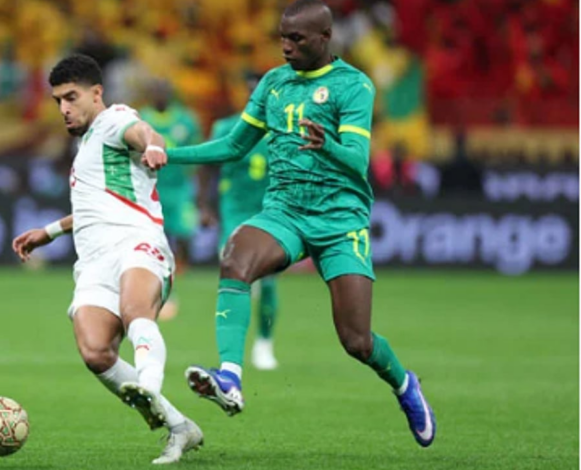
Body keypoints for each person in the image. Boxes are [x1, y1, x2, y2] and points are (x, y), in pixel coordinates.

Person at [143, 0, 436, 448]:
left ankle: (403, 384)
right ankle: (230, 377)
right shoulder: (274, 83)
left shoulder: (354, 85)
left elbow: (358, 160)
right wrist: (169, 155)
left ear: (325, 37)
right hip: (285, 212)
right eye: (282, 37)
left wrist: (328, 145)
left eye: (296, 39)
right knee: (235, 258)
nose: (286, 47)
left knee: (356, 340)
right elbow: (234, 145)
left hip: (340, 220)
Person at [11, 54, 203, 464]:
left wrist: (154, 145)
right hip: (94, 261)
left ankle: (148, 385)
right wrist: (48, 232)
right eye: (58, 101)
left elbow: (145, 132)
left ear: (96, 93)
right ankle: (180, 427)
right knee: (95, 351)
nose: (64, 108)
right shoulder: (86, 147)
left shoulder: (115, 119)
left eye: (71, 97)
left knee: (136, 311)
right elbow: (93, 208)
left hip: (137, 242)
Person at [201, 72, 279, 370]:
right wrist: (204, 206)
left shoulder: (283, 132)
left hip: (269, 216)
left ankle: (264, 344)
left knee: (267, 284)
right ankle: (231, 352)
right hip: (234, 215)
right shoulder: (226, 127)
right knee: (235, 275)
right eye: (250, 92)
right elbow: (207, 165)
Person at [140, 79, 202, 320]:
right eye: (156, 91)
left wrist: (199, 192)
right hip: (151, 188)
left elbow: (198, 153)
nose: (160, 96)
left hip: (181, 189)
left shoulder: (186, 120)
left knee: (185, 236)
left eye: (163, 91)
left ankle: (176, 274)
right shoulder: (142, 118)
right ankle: (163, 282)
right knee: (156, 239)